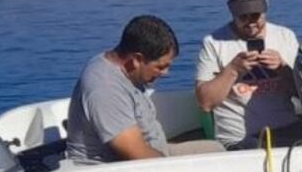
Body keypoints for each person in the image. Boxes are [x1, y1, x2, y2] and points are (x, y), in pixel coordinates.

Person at [65, 15, 222, 163]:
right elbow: (135, 153)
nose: (165, 73)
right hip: (115, 171)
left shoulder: (127, 72)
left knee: (217, 150)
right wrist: (173, 169)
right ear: (137, 60)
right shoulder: (105, 88)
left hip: (155, 153)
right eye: (160, 67)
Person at [195, 0, 302, 150]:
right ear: (232, 11)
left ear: (265, 6)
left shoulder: (285, 36)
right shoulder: (213, 43)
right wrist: (232, 70)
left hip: (285, 129)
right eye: (243, 17)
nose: (251, 23)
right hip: (238, 139)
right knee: (254, 147)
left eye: (255, 16)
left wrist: (282, 68)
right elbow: (205, 103)